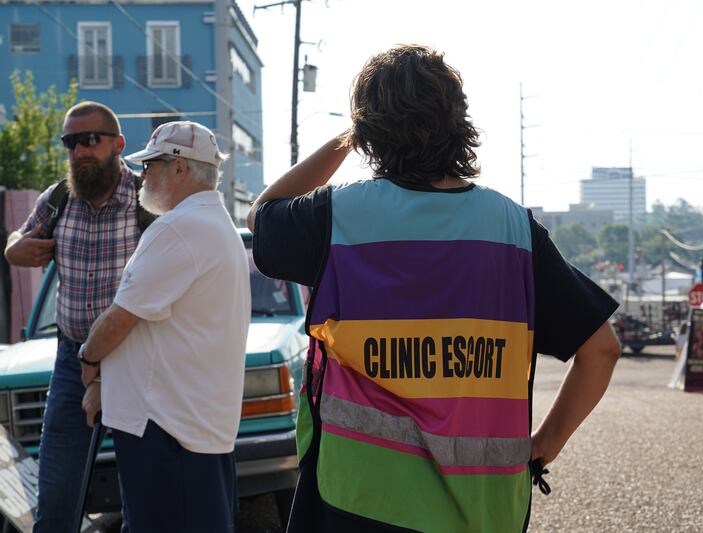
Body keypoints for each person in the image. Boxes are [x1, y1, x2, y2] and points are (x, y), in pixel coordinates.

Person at [248, 45, 621, 533]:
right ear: (459, 120)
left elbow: (264, 215)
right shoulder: (513, 228)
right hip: (482, 508)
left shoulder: (339, 216)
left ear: (369, 131)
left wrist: (349, 135)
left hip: (357, 497)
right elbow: (602, 350)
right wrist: (542, 446)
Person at [77, 121, 250, 532]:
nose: (142, 175)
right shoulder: (214, 224)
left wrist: (88, 359)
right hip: (188, 426)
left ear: (179, 168)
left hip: (167, 430)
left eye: (151, 164)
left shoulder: (179, 227)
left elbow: (122, 317)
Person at [3, 101, 146, 532]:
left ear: (118, 144)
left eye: (90, 140)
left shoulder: (148, 201)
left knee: (143, 497)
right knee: (56, 497)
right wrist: (13, 247)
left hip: (136, 360)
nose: (80, 151)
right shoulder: (59, 197)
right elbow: (17, 239)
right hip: (72, 364)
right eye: (71, 142)